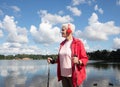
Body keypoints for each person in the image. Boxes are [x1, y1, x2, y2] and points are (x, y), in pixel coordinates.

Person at [47, 23, 88, 87]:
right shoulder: (62, 44)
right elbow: (61, 59)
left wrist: (78, 61)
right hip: (63, 75)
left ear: (69, 30)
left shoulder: (78, 43)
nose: (61, 31)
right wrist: (53, 61)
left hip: (73, 75)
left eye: (63, 30)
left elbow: (85, 58)